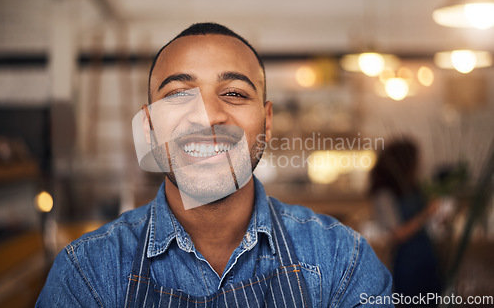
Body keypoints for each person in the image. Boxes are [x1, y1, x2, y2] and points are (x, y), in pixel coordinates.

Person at [37, 23, 392, 307]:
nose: (207, 117)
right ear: (148, 128)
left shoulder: (343, 262)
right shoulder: (86, 274)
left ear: (267, 122)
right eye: (178, 95)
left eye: (235, 93)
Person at [369, 138, 442, 305]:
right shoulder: (384, 194)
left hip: (427, 259)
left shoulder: (412, 188)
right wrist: (426, 215)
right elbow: (397, 234)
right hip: (408, 264)